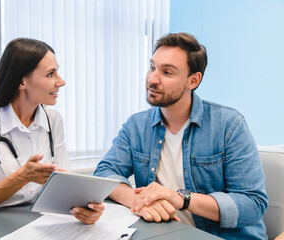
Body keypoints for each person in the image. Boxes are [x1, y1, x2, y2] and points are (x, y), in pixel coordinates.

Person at [94, 32, 268, 239]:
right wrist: (136, 200)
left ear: (193, 80)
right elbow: (104, 172)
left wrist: (181, 199)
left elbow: (253, 204)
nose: (152, 79)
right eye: (152, 67)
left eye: (167, 72)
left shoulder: (230, 125)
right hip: (167, 234)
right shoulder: (136, 125)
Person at [0, 38, 103, 224]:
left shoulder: (53, 120)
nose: (61, 81)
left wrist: (86, 209)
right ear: (22, 81)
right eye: (50, 74)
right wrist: (23, 177)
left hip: (42, 222)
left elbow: (65, 182)